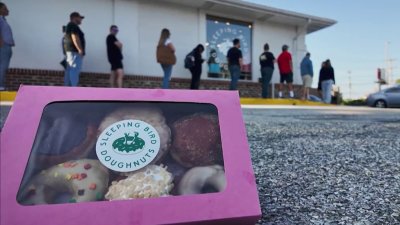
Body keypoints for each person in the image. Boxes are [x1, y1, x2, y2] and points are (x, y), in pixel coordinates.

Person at [64, 12, 85, 86]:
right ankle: (73, 90)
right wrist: (80, 49)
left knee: (70, 70)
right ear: (75, 18)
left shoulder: (70, 25)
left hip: (71, 52)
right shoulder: (73, 25)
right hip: (74, 52)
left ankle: (67, 90)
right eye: (80, 18)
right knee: (74, 70)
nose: (81, 20)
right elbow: (74, 37)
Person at [0, 2, 15, 91]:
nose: (7, 10)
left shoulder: (3, 20)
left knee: (3, 66)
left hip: (6, 45)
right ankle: (0, 85)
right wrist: (1, 43)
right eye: (5, 8)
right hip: (3, 46)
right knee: (3, 66)